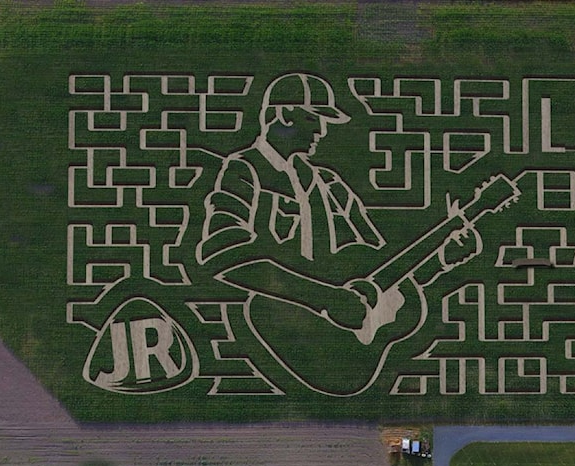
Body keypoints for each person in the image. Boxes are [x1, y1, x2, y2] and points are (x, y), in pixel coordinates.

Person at [196, 73, 513, 394]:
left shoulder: (329, 185)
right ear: (284, 114)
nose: (320, 130)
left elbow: (377, 273)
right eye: (313, 118)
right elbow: (223, 254)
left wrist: (439, 261)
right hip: (279, 319)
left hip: (340, 343)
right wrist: (326, 299)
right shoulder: (245, 170)